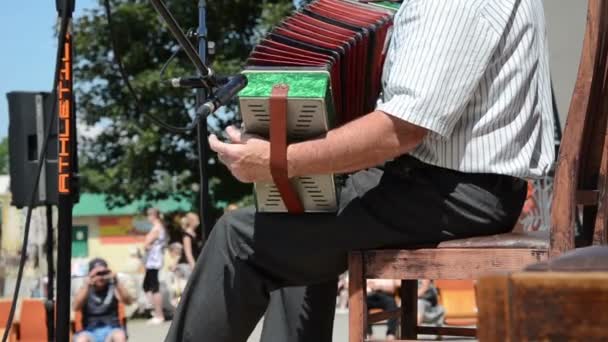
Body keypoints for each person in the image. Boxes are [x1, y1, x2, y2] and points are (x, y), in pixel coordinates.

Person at [166, 1, 554, 341]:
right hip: (457, 185)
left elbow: (401, 129)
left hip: (453, 191)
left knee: (238, 240)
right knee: (299, 214)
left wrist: (279, 159)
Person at [73, 258, 132, 342]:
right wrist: (86, 285)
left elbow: (128, 301)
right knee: (81, 340)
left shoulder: (113, 286)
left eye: (103, 273)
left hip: (112, 329)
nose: (100, 277)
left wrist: (117, 282)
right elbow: (75, 307)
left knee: (120, 336)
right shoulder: (85, 289)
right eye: (97, 274)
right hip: (90, 330)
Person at [143, 207, 167, 325]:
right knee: (147, 286)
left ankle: (159, 314)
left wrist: (146, 244)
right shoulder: (158, 228)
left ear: (154, 216)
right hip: (152, 261)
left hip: (154, 261)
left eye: (149, 215)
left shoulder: (157, 228)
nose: (148, 218)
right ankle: (154, 310)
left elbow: (147, 243)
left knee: (153, 287)